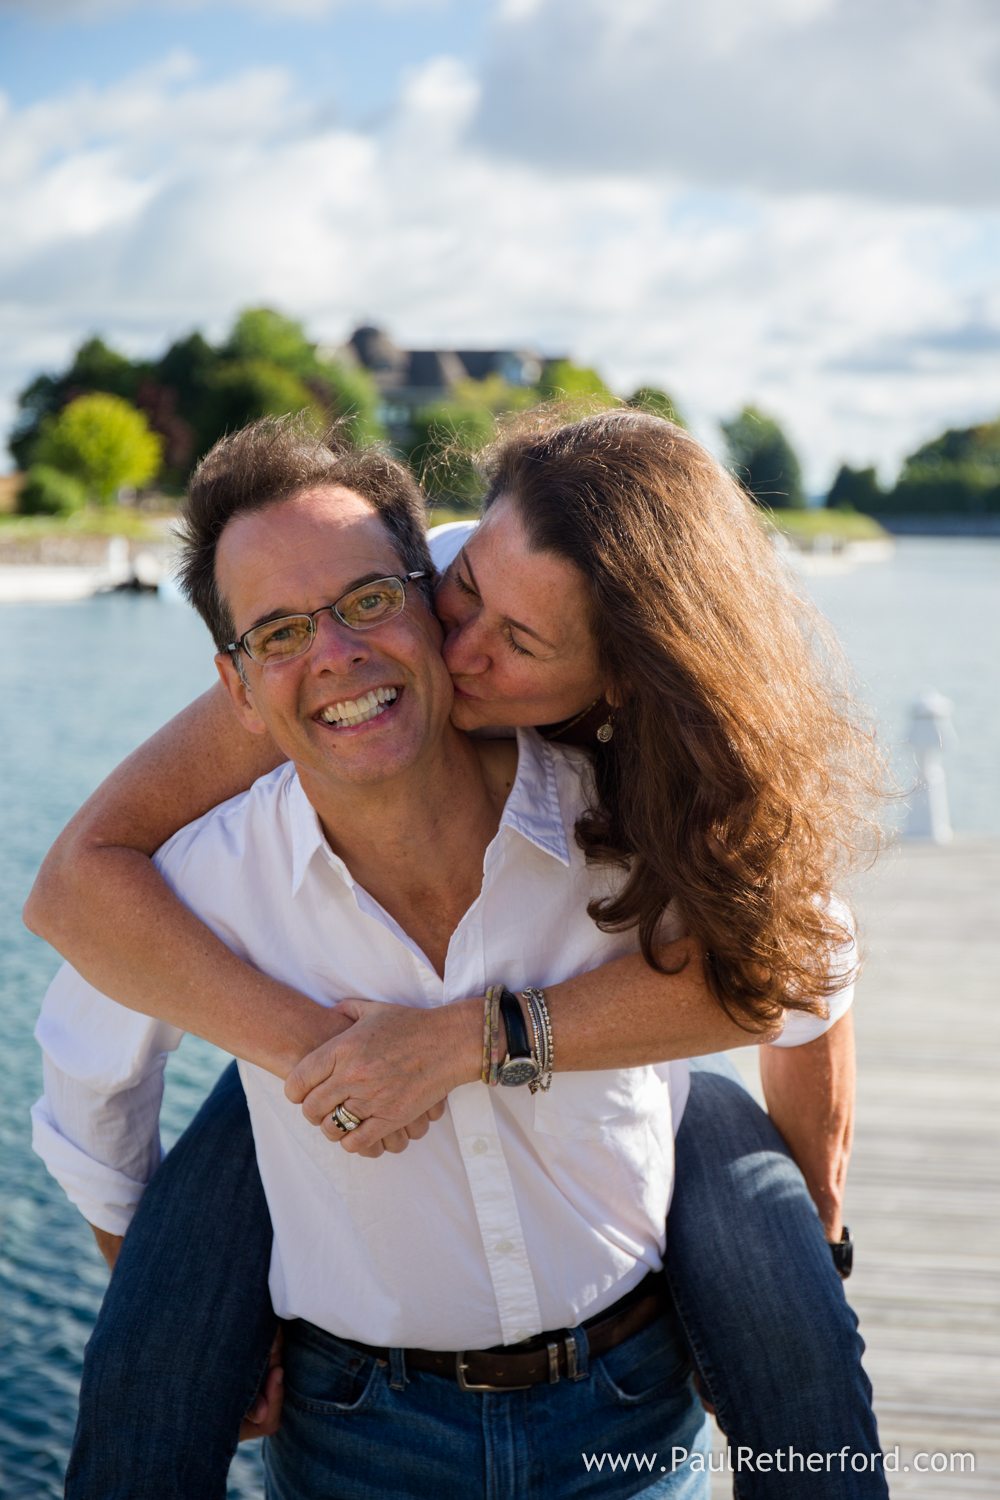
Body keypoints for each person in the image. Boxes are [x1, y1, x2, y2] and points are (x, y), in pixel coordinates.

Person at [27, 410, 886, 1497]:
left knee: (776, 1276)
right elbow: (81, 922)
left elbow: (800, 968)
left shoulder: (639, 801)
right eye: (462, 592)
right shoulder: (392, 598)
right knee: (152, 1369)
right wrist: (318, 1058)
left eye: (518, 644)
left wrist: (814, 1228)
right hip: (360, 1424)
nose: (462, 645)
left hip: (618, 1394)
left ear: (620, 679)